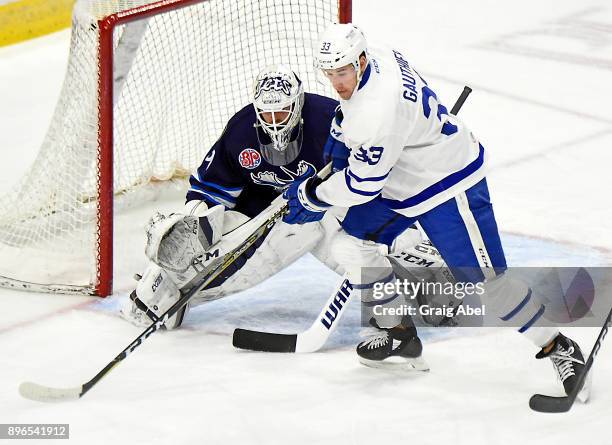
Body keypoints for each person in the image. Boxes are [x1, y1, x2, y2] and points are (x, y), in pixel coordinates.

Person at [282, 23, 590, 399]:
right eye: (329, 74)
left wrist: (313, 194)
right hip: (405, 173)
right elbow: (356, 119)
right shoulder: (379, 54)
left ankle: (560, 347)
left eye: (342, 73)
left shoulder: (377, 112)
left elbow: (362, 185)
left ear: (360, 62)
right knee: (349, 246)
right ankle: (398, 332)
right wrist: (340, 133)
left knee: (488, 287)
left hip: (447, 182)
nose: (336, 83)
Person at [121, 64, 450, 333]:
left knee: (362, 245)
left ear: (298, 105)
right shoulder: (242, 130)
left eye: (282, 112)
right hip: (263, 214)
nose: (275, 121)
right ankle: (160, 287)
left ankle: (428, 277)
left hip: (324, 210)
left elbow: (374, 175)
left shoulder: (331, 121)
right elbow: (210, 188)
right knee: (214, 248)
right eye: (267, 113)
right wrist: (196, 219)